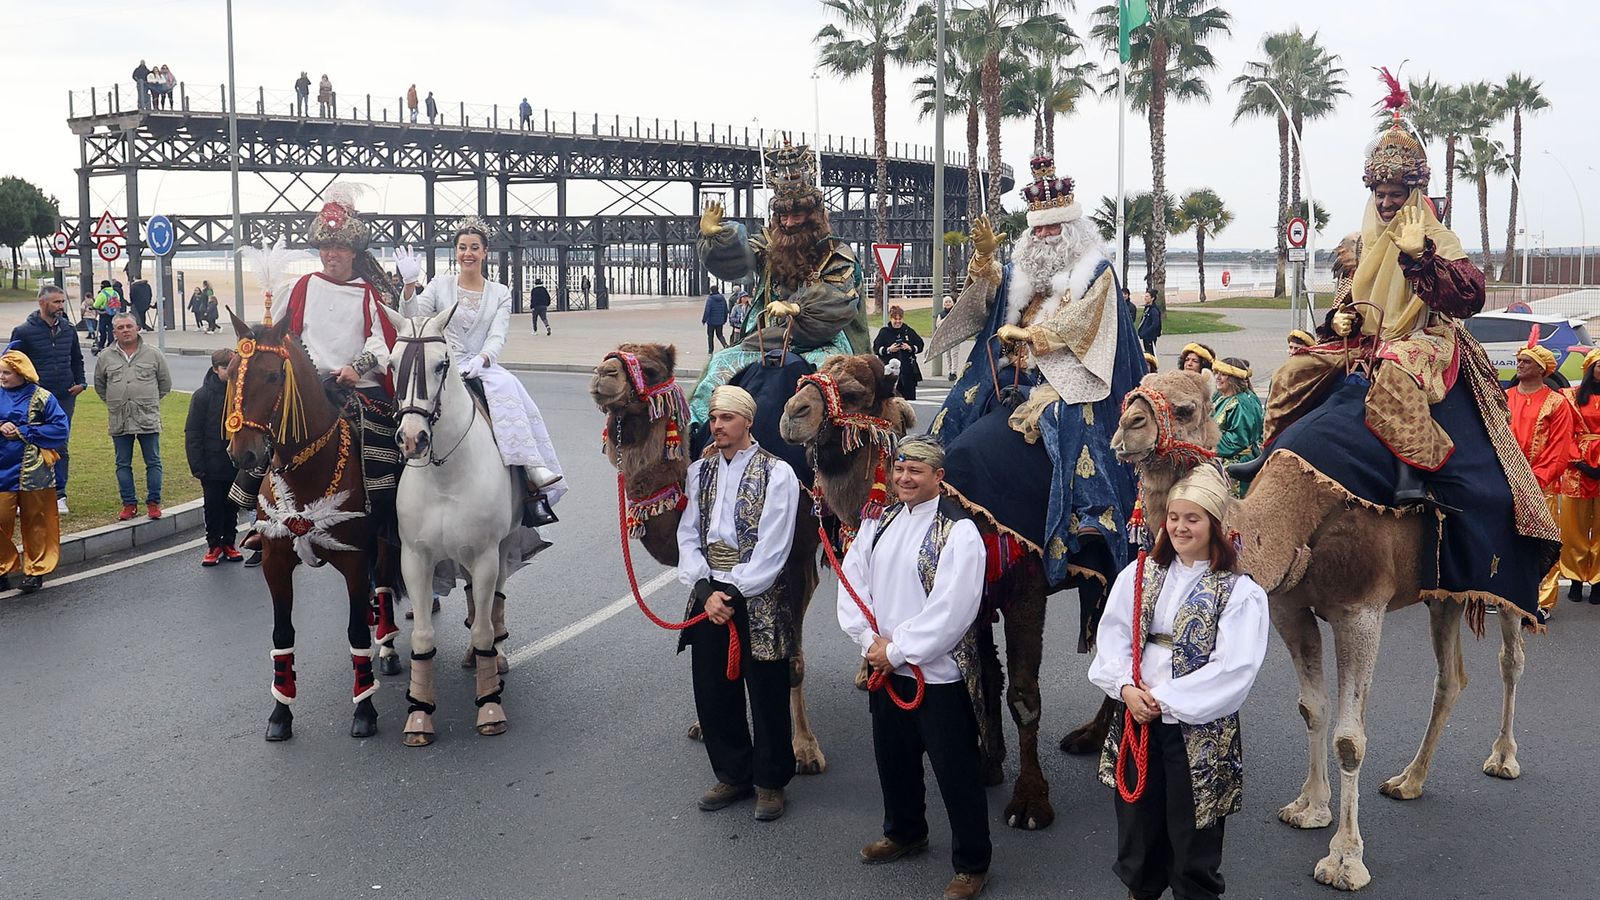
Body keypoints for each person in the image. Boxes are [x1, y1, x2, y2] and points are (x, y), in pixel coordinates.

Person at [1230, 69, 1558, 625]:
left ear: (1413, 194)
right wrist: (1338, 318)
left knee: (1396, 374)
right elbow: (1345, 304)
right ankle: (1270, 459)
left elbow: (1468, 297)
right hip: (1367, 341)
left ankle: (1415, 473)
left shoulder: (1435, 237)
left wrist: (1418, 258)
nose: (1385, 202)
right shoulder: (1358, 243)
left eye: (1395, 193)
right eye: (1379, 193)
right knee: (1293, 373)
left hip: (1423, 340)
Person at [924, 150, 1144, 589]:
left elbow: (1088, 321)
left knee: (1073, 420)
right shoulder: (1020, 270)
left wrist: (1034, 338)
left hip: (1068, 372)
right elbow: (988, 297)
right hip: (1012, 371)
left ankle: (1090, 514)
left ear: (1072, 229)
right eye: (1038, 228)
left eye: (1052, 227)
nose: (1044, 235)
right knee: (964, 402)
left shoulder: (1095, 271)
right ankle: (928, 470)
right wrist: (983, 261)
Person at [1090, 463, 1269, 900]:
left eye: (1193, 518)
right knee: (1138, 832)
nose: (1180, 527)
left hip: (1198, 731)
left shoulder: (1239, 592)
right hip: (1136, 719)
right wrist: (1125, 689)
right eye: (1174, 517)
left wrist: (1164, 699)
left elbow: (1235, 669)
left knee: (1193, 844)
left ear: (1215, 525)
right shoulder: (1139, 573)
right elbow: (1112, 637)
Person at [836, 437, 992, 900]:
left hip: (938, 675)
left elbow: (953, 609)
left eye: (916, 472)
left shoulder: (959, 531)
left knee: (956, 770)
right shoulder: (879, 522)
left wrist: (898, 650)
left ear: (938, 477)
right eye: (900, 469)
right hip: (885, 667)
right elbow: (852, 581)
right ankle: (905, 831)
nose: (904, 478)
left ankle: (972, 863)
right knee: (893, 758)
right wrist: (868, 642)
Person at [675, 385, 800, 822]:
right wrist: (705, 591)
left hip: (757, 596)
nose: (717, 426)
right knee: (712, 690)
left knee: (765, 692)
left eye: (726, 418)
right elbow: (688, 534)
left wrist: (733, 593)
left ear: (748, 422)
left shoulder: (778, 473)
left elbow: (774, 544)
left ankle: (770, 782)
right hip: (709, 594)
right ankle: (733, 774)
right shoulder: (700, 472)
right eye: (713, 418)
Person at [398, 217, 565, 526]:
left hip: (481, 365)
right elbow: (413, 318)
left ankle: (531, 472)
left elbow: (498, 334)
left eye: (474, 248)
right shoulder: (439, 284)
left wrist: (485, 358)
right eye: (462, 248)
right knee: (412, 400)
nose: (468, 254)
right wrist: (409, 285)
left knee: (508, 389)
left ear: (485, 252)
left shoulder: (499, 292)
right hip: (445, 365)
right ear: (456, 251)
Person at [691, 140, 867, 423]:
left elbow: (840, 298)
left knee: (834, 382)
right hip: (769, 337)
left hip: (823, 340)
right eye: (783, 215)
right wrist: (718, 237)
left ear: (814, 216)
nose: (788, 222)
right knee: (719, 367)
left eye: (796, 214)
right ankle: (699, 438)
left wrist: (798, 309)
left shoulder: (837, 254)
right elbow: (741, 258)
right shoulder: (771, 246)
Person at [1507, 341, 1579, 616]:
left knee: (1543, 539)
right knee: (1507, 537)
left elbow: (1560, 448)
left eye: (1526, 361)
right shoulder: (1506, 396)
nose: (1520, 365)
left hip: (1540, 485)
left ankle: (1542, 601)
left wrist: (1536, 479)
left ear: (1541, 369)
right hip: (1507, 481)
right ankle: (1507, 592)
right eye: (1520, 360)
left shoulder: (1556, 403)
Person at [10, 285, 86, 515]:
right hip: (34, 399)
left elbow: (77, 359)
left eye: (62, 302)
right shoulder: (23, 332)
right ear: (42, 303)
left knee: (60, 444)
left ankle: (59, 495)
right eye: (56, 302)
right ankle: (27, 495)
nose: (61, 306)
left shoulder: (68, 330)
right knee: (28, 444)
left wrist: (81, 383)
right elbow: (12, 362)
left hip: (63, 397)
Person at [0, 347, 70, 594]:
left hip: (34, 471)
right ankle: (2, 569)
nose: (2, 377)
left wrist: (24, 431)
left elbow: (61, 430)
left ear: (21, 373)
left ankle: (35, 571)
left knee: (37, 521)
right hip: (1, 470)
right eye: (1, 373)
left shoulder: (42, 397)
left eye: (7, 373)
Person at [94, 313, 171, 521]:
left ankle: (153, 502)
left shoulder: (154, 354)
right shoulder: (105, 356)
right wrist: (116, 402)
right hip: (119, 419)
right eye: (120, 327)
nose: (125, 330)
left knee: (153, 461)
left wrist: (147, 401)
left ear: (137, 328)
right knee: (122, 463)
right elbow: (101, 386)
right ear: (114, 332)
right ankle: (129, 504)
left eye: (129, 326)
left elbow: (165, 384)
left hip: (147, 418)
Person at [186, 348, 242, 566]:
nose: (230, 371)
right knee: (212, 505)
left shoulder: (240, 393)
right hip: (210, 462)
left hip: (234, 461)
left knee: (231, 506)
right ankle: (213, 545)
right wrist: (197, 464)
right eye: (226, 368)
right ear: (215, 369)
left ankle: (229, 542)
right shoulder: (202, 396)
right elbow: (192, 432)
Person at [1560, 350, 1600, 604]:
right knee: (1572, 527)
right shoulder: (1571, 396)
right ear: (1590, 367)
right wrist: (1579, 462)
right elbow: (1565, 431)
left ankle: (1598, 580)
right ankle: (1574, 577)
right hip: (1578, 467)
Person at [1212, 358, 1263, 497]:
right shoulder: (1220, 396)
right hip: (1221, 459)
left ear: (1234, 379)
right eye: (1217, 373)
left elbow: (1238, 440)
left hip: (1237, 464)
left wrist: (1208, 444)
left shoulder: (1241, 403)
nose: (1218, 377)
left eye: (1223, 374)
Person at [873, 304, 925, 400]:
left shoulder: (908, 331)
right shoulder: (884, 332)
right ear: (891, 318)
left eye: (899, 319)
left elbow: (920, 345)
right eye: (895, 319)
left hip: (907, 373)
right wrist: (889, 349)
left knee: (909, 400)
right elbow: (876, 348)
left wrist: (910, 348)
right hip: (889, 375)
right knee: (889, 401)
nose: (897, 321)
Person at [702, 287, 729, 352]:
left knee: (710, 336)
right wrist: (724, 319)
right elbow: (726, 310)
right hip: (720, 321)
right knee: (720, 335)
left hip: (711, 321)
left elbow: (707, 310)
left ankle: (710, 350)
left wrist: (704, 320)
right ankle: (725, 345)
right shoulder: (722, 298)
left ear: (711, 291)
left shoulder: (710, 299)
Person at [1137, 289, 1163, 356]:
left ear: (1152, 298)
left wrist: (1146, 332)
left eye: (1147, 296)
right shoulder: (1147, 308)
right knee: (1147, 353)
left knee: (1151, 354)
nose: (1145, 298)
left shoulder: (1154, 310)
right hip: (1145, 337)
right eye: (1145, 296)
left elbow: (1155, 324)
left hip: (1150, 337)